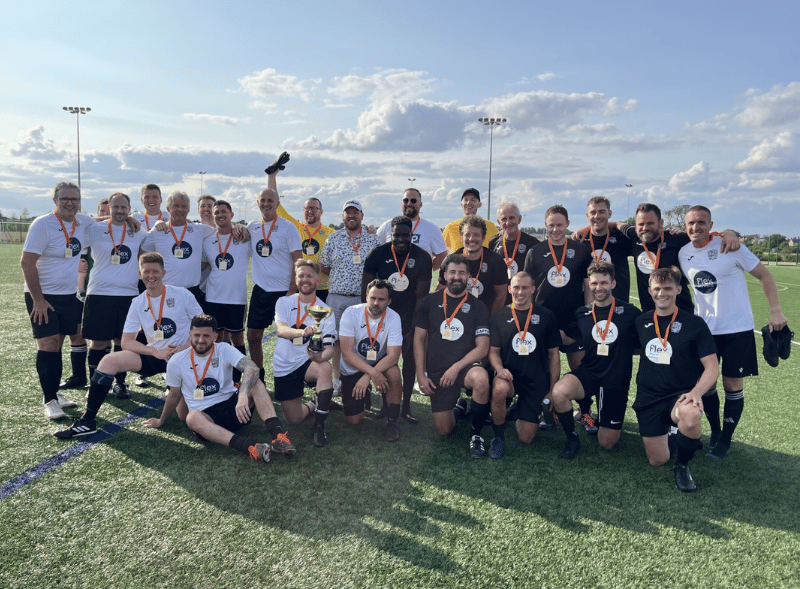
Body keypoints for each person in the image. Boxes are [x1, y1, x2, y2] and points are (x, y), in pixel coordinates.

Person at [54, 252, 203, 438]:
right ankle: (88, 421)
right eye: (146, 271)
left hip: (184, 357)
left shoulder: (182, 294)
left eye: (155, 271)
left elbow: (202, 327)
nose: (151, 276)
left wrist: (183, 348)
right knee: (109, 361)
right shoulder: (137, 302)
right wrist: (154, 351)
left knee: (184, 416)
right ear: (139, 273)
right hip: (156, 355)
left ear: (164, 272)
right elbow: (126, 342)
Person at [679, 205, 788, 458]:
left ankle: (725, 441)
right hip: (704, 331)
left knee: (731, 383)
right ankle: (715, 432)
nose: (695, 228)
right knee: (706, 385)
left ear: (711, 225)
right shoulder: (683, 253)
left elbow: (765, 276)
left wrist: (775, 310)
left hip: (737, 329)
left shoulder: (730, 246)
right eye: (690, 224)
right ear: (685, 226)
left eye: (700, 223)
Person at [142, 314, 296, 461]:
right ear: (190, 335)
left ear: (215, 337)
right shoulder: (176, 361)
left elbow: (252, 368)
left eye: (206, 336)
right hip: (207, 419)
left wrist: (242, 395)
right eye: (196, 335)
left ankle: (278, 436)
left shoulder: (223, 349)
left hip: (235, 409)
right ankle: (250, 447)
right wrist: (161, 420)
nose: (201, 340)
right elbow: (174, 395)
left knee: (255, 382)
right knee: (191, 418)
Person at [633, 266, 719, 492]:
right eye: (657, 288)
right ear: (650, 291)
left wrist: (696, 393)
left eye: (668, 288)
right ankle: (675, 436)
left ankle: (683, 466)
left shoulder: (694, 324)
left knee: (690, 417)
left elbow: (712, 367)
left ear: (679, 290)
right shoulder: (640, 322)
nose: (662, 293)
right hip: (648, 397)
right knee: (657, 459)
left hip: (679, 395)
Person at [21, 182, 95, 419]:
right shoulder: (43, 224)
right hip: (43, 296)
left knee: (60, 342)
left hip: (68, 295)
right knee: (49, 344)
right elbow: (26, 262)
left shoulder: (83, 221)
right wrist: (38, 300)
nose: (70, 203)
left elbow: (107, 220)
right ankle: (50, 399)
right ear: (55, 200)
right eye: (65, 199)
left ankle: (53, 391)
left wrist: (133, 220)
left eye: (74, 199)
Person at [553, 261, 641, 459]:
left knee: (607, 443)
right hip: (590, 372)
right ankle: (572, 438)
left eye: (603, 283)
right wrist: (543, 333)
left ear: (613, 284)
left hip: (615, 378)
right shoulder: (582, 313)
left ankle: (603, 419)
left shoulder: (630, 312)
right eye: (594, 283)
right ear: (589, 285)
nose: (598, 288)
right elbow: (568, 337)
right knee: (559, 392)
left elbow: (642, 343)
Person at [522, 205, 595, 432]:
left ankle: (585, 413)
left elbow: (588, 286)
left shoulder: (581, 251)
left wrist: (587, 315)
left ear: (567, 224)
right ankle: (549, 411)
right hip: (544, 321)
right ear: (546, 225)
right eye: (551, 225)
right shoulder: (535, 251)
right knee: (545, 368)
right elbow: (529, 287)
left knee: (580, 366)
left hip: (574, 321)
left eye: (559, 225)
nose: (555, 229)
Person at [414, 254, 491, 458]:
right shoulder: (429, 302)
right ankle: (458, 408)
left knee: (481, 379)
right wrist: (421, 375)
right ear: (444, 275)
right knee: (445, 430)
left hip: (466, 367)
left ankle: (476, 435)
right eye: (453, 272)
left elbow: (483, 348)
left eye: (462, 273)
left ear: (469, 277)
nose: (457, 277)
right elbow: (419, 339)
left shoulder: (478, 306)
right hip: (438, 370)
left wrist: (456, 367)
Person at [363, 216, 433, 423]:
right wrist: (370, 320)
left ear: (411, 235)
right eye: (397, 235)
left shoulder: (422, 257)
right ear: (390, 234)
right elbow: (365, 291)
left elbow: (422, 296)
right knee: (382, 360)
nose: (401, 239)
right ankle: (386, 405)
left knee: (410, 361)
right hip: (383, 317)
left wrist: (413, 326)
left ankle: (407, 407)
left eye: (405, 235)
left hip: (410, 316)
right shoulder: (377, 253)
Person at [81, 192, 148, 399]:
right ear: (108, 208)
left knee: (123, 342)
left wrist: (129, 220)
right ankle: (95, 384)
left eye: (123, 208)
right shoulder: (94, 228)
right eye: (115, 207)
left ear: (129, 208)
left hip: (128, 295)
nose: (119, 211)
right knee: (99, 343)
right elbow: (79, 222)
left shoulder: (138, 231)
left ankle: (120, 383)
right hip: (99, 293)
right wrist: (111, 219)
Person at [488, 272, 561, 458]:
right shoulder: (499, 315)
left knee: (526, 438)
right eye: (516, 287)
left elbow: (554, 354)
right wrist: (500, 369)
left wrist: (552, 389)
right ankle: (498, 437)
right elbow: (493, 351)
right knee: (499, 390)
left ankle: (520, 409)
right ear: (509, 289)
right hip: (509, 377)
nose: (520, 292)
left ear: (533, 289)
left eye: (525, 288)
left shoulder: (546, 316)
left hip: (535, 380)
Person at [319, 199, 381, 391]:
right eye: (348, 212)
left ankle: (365, 378)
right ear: (343, 216)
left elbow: (379, 268)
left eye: (356, 212)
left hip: (363, 299)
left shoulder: (373, 239)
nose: (351, 215)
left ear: (362, 216)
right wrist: (342, 280)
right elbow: (324, 265)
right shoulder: (334, 238)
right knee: (337, 340)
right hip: (337, 297)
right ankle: (337, 379)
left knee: (364, 339)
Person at [273, 260, 336, 447]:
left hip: (308, 363)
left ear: (318, 280)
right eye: (301, 276)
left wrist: (319, 357)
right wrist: (303, 332)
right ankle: (314, 404)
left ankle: (319, 426)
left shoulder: (326, 310)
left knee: (325, 367)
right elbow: (281, 331)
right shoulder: (284, 302)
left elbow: (330, 348)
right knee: (294, 419)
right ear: (296, 279)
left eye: (309, 276)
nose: (305, 280)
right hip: (284, 364)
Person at [246, 186, 303, 381]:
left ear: (278, 203)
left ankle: (293, 375)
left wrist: (292, 290)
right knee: (253, 336)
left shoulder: (288, 227)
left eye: (270, 200)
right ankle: (258, 376)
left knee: (290, 338)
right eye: (263, 200)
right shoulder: (252, 227)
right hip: (261, 290)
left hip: (284, 292)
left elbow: (298, 260)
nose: (266, 203)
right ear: (258, 203)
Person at [339, 279, 403, 442]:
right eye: (373, 298)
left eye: (381, 300)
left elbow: (393, 355)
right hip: (353, 365)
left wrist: (369, 375)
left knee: (394, 373)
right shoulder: (351, 313)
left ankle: (392, 422)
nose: (376, 303)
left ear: (389, 301)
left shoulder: (394, 317)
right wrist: (372, 373)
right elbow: (346, 353)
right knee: (354, 421)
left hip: (378, 364)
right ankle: (365, 391)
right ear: (366, 296)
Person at [270, 152, 334, 301]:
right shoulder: (296, 227)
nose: (310, 211)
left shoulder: (331, 233)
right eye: (307, 208)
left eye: (314, 208)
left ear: (321, 212)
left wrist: (368, 230)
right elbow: (277, 206)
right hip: (301, 286)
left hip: (322, 288)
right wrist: (272, 177)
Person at [140, 191, 217, 304]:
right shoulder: (158, 231)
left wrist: (239, 228)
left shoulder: (199, 229)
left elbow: (224, 232)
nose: (180, 209)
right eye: (176, 205)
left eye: (184, 206)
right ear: (168, 208)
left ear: (189, 210)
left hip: (193, 291)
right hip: (165, 291)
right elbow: (142, 255)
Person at [201, 200, 251, 370]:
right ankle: (218, 372)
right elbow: (201, 265)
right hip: (213, 297)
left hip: (236, 298)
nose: (220, 215)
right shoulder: (208, 240)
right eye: (216, 213)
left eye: (223, 212)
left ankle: (239, 377)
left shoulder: (243, 237)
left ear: (231, 215)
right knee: (216, 336)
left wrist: (243, 227)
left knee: (237, 338)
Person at [437, 215, 508, 316]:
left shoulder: (496, 261)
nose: (471, 239)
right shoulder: (450, 261)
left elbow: (501, 295)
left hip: (484, 319)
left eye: (476, 235)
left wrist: (491, 320)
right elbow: (440, 291)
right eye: (467, 235)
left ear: (483, 237)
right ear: (462, 237)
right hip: (455, 317)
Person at [375, 187, 447, 271]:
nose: (409, 204)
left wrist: (425, 271)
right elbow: (375, 250)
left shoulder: (431, 228)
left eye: (413, 201)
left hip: (419, 283)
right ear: (401, 203)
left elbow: (442, 255)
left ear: (420, 204)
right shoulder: (387, 226)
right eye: (405, 200)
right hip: (391, 281)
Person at [488, 201, 540, 305]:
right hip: (500, 301)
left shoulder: (533, 243)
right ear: (499, 222)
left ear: (519, 219)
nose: (508, 222)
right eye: (504, 219)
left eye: (511, 218)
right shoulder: (493, 242)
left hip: (524, 301)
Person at [582, 196, 632, 302]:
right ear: (587, 216)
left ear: (609, 214)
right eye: (593, 212)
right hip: (590, 306)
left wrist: (670, 233)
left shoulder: (622, 238)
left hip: (618, 304)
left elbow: (648, 239)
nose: (597, 216)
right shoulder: (580, 241)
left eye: (602, 212)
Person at [442, 188, 499, 254]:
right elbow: (440, 250)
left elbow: (501, 242)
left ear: (479, 204)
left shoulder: (490, 226)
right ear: (461, 204)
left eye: (473, 200)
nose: (469, 202)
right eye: (466, 200)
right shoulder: (450, 228)